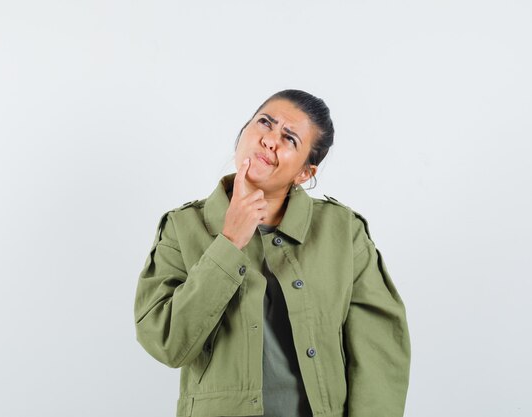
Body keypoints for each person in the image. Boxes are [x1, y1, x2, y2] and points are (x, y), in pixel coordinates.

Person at [134, 89, 411, 417]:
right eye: (265, 122)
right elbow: (167, 343)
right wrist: (229, 243)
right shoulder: (182, 228)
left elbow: (379, 356)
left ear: (305, 173)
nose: (270, 140)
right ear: (244, 132)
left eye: (290, 138)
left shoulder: (343, 232)